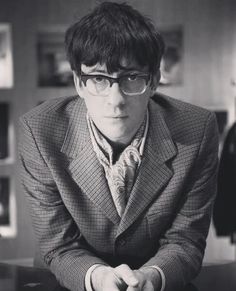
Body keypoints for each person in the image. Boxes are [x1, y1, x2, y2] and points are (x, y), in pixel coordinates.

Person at [18, 2, 219, 291]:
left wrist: (152, 276)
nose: (116, 99)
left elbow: (186, 240)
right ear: (78, 83)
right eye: (99, 79)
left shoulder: (198, 130)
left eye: (132, 77)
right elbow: (58, 244)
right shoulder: (38, 130)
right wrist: (97, 277)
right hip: (69, 280)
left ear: (153, 82)